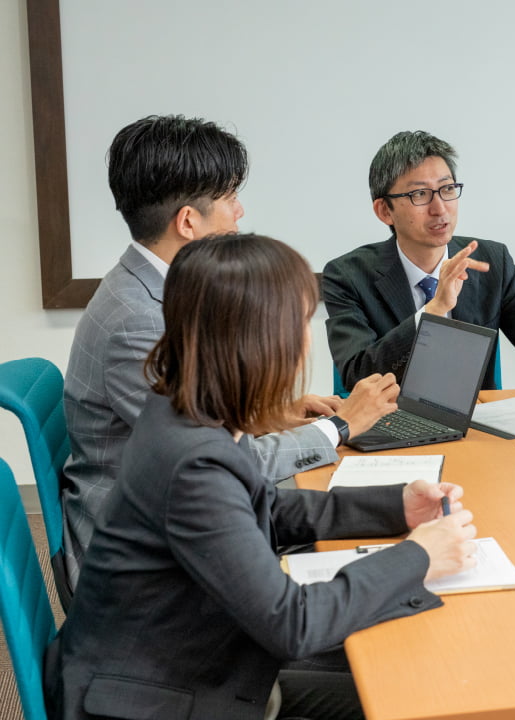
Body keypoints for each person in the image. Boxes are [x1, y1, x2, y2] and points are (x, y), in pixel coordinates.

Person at [45, 233, 478, 720]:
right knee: (416, 696)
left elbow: (264, 505)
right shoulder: (194, 460)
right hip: (158, 699)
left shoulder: (183, 407)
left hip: (179, 663)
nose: (306, 338)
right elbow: (292, 623)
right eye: (299, 322)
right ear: (258, 342)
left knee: (394, 673)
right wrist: (419, 556)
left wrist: (395, 505)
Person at [62, 115, 373, 591]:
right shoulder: (140, 321)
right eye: (229, 197)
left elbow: (199, 426)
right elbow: (221, 462)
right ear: (188, 221)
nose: (239, 212)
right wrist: (341, 426)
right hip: (143, 567)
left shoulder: (153, 290)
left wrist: (275, 412)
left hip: (169, 519)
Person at [322, 130, 515, 391]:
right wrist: (433, 311)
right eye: (420, 195)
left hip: (476, 425)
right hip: (391, 424)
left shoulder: (492, 262)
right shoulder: (348, 277)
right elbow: (358, 376)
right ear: (384, 211)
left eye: (447, 189)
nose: (439, 208)